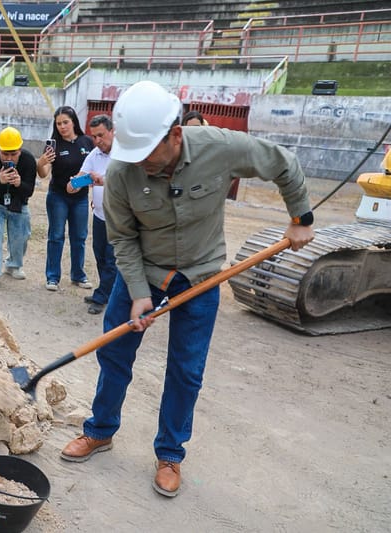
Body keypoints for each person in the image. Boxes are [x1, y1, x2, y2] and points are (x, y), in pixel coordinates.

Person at [60, 81, 315, 498]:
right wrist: (139, 292)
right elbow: (121, 239)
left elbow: (283, 162)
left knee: (186, 369)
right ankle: (100, 430)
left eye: (148, 155)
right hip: (143, 269)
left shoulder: (220, 147)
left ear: (175, 135)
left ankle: (170, 454)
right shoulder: (125, 169)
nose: (140, 163)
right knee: (114, 351)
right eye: (133, 155)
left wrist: (301, 216)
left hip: (200, 274)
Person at [37, 106, 94, 291]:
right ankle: (52, 277)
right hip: (58, 197)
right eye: (58, 123)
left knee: (79, 237)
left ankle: (78, 275)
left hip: (81, 198)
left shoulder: (87, 142)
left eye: (65, 122)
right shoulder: (53, 145)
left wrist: (81, 183)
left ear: (74, 122)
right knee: (56, 236)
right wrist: (41, 162)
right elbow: (44, 174)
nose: (62, 126)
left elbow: (95, 170)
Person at [0, 127, 36, 289]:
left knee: (22, 235)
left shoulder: (28, 160)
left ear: (20, 150)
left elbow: (30, 190)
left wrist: (19, 183)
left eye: (13, 154)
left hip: (19, 201)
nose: (9, 158)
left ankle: (13, 264)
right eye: (5, 154)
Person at [75, 114, 117, 315]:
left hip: (119, 220)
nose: (98, 140)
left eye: (101, 135)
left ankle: (102, 296)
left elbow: (127, 182)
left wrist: (103, 180)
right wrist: (76, 182)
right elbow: (78, 181)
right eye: (94, 137)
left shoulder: (125, 154)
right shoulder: (94, 155)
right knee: (100, 255)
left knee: (112, 259)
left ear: (112, 131)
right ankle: (107, 291)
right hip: (100, 216)